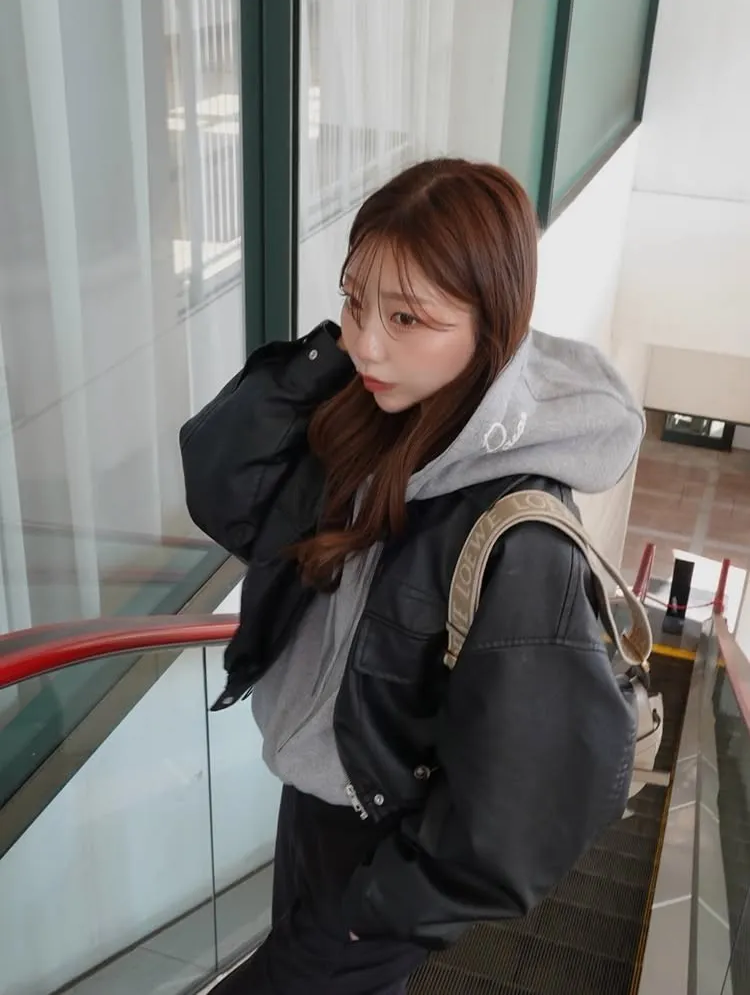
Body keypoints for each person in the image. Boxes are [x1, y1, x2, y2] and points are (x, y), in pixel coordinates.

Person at [180, 158, 643, 995]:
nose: (366, 340)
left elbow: (524, 801)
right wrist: (329, 359)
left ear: (492, 322)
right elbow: (225, 490)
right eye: (354, 302)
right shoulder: (382, 414)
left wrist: (379, 905)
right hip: (316, 799)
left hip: (384, 848)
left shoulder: (522, 535)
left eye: (406, 317)